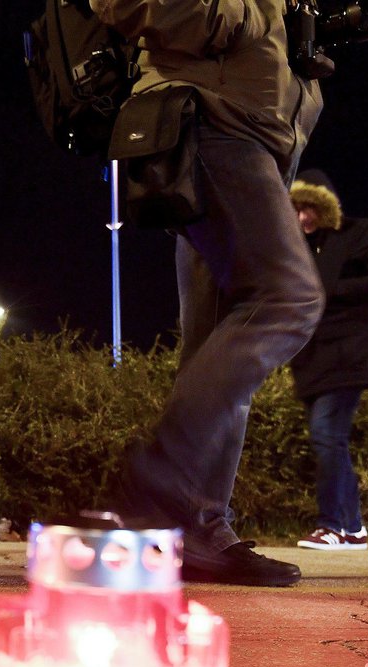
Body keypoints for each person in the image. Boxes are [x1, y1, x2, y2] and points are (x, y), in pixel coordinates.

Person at [91, 0, 325, 585]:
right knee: (288, 299)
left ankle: (196, 527)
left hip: (254, 128)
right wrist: (245, 15)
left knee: (219, 339)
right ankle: (155, 486)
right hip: (214, 118)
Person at [288, 170, 368, 551]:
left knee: (327, 434)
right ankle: (353, 528)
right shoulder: (296, 247)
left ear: (326, 206)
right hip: (311, 361)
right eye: (296, 208)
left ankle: (334, 525)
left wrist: (331, 292)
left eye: (310, 208)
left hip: (348, 354)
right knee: (331, 439)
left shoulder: (359, 232)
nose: (303, 216)